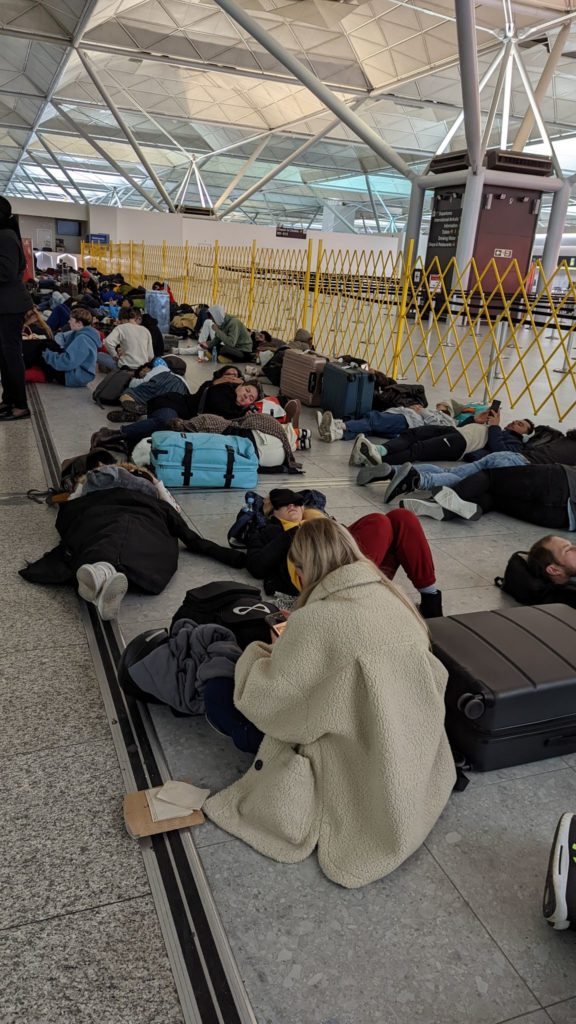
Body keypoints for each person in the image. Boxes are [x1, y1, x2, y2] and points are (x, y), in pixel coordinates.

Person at [203, 517, 456, 888]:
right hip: (409, 748)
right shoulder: (393, 596)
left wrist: (261, 653)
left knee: (218, 686)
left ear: (304, 570)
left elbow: (270, 706)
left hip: (349, 761)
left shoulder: (317, 621)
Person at [19, 461, 246, 620]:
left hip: (99, 510)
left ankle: (101, 575)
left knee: (99, 535)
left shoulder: (95, 482)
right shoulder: (150, 491)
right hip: (144, 517)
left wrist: (79, 509)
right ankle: (104, 577)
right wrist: (232, 556)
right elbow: (188, 533)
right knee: (134, 538)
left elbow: (67, 514)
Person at [244, 487, 443, 617]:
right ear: (271, 512)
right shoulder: (268, 532)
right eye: (283, 503)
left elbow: (345, 542)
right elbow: (257, 566)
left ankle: (430, 601)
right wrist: (297, 530)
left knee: (402, 517)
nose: (292, 505)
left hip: (352, 566)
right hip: (326, 578)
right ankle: (360, 591)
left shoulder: (314, 517)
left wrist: (322, 521)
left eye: (296, 502)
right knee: (378, 521)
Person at [92, 380, 263, 451]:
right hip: (173, 404)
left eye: (250, 398)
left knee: (168, 439)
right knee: (167, 422)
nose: (245, 396)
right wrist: (243, 415)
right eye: (246, 390)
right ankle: (114, 433)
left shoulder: (237, 410)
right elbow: (220, 410)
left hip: (183, 420)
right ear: (240, 386)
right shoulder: (224, 390)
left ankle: (122, 444)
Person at [398, 463, 576, 528]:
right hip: (560, 518)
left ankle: (445, 502)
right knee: (494, 499)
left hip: (561, 481)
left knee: (489, 477)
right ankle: (444, 511)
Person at [0, 196, 34, 421]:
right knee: (4, 357)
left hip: (9, 307)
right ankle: (9, 400)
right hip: (6, 306)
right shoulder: (6, 235)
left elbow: (7, 271)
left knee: (11, 356)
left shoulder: (5, 236)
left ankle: (20, 405)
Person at [317, 403, 455, 443]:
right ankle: (338, 434)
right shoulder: (435, 412)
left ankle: (340, 425)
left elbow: (438, 427)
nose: (439, 405)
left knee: (374, 420)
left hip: (407, 421)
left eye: (442, 405)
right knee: (370, 427)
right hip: (405, 420)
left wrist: (421, 411)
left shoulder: (448, 420)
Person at [42, 307, 100, 387]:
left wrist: (48, 355)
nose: (68, 321)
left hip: (74, 376)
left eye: (71, 320)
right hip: (76, 372)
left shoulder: (83, 339)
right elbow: (60, 336)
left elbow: (68, 362)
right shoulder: (79, 333)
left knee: (41, 350)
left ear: (79, 323)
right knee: (48, 344)